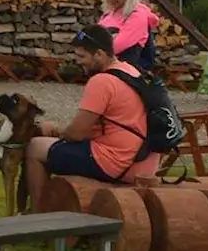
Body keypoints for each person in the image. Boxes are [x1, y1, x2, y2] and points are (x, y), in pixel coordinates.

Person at [25, 25, 161, 205]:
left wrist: (54, 130)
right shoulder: (131, 71)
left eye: (82, 56)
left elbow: (76, 133)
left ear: (99, 54)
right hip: (143, 161)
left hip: (118, 164)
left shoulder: (101, 81)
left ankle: (38, 214)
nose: (78, 62)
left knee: (35, 147)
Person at [96, 0, 159, 70]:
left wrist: (90, 51)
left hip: (126, 76)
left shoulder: (137, 15)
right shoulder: (108, 14)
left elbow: (115, 47)